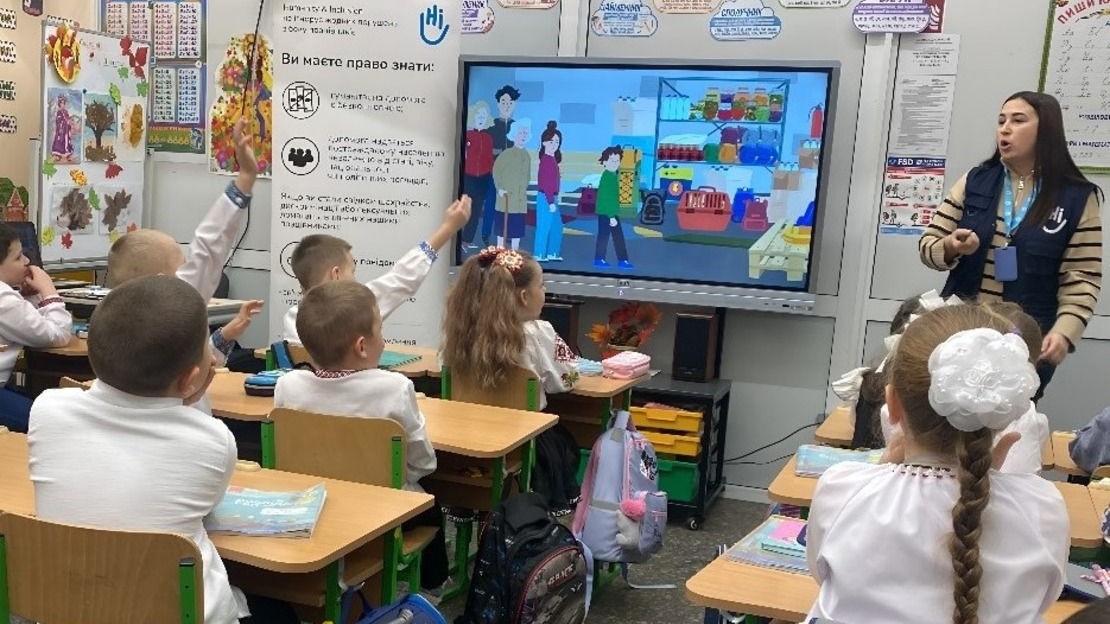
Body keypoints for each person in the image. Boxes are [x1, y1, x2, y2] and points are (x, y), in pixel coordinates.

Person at [28, 276, 299, 624]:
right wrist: (190, 400)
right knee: (283, 611)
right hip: (179, 614)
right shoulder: (213, 440)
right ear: (189, 380)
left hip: (70, 611)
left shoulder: (47, 409)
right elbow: (206, 507)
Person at [806, 304, 1068, 624]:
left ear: (892, 405)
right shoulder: (1042, 506)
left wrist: (878, 471)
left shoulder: (842, 489)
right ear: (1007, 412)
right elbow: (1043, 599)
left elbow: (825, 579)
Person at [918, 91, 1103, 401]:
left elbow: (1082, 277)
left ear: (1046, 131)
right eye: (1001, 120)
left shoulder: (1077, 197)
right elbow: (928, 246)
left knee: (1007, 426)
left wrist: (1064, 331)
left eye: (1018, 121)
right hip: (960, 333)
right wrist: (950, 246)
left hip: (1025, 339)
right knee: (946, 421)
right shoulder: (976, 180)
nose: (1005, 128)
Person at [273, 280, 447, 591]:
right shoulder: (394, 388)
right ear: (362, 346)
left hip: (312, 508)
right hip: (379, 514)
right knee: (434, 503)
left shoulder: (288, 385)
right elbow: (423, 464)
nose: (385, 338)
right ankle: (435, 581)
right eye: (381, 330)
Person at [442, 247, 581, 512]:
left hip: (467, 441)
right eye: (542, 284)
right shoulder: (539, 333)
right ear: (524, 296)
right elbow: (564, 380)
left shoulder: (459, 336)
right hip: (524, 446)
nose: (545, 290)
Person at [282, 196, 471, 343]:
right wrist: (448, 227)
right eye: (352, 271)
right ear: (336, 275)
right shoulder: (354, 310)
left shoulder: (291, 319)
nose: (355, 279)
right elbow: (402, 278)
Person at [0, 224, 72, 432]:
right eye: (18, 257)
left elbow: (27, 322)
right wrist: (49, 292)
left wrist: (31, 295)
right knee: (51, 425)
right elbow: (58, 334)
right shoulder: (4, 298)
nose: (27, 262)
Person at [492, 118, 532, 251]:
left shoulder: (526, 156)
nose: (523, 136)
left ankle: (514, 254)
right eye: (521, 133)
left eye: (526, 133)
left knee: (517, 231)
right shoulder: (506, 154)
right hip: (506, 200)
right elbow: (496, 172)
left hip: (520, 203)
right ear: (514, 135)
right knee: (501, 230)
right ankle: (499, 251)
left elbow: (527, 176)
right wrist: (500, 189)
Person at [461, 102, 494, 253]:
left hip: (483, 179)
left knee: (475, 212)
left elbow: (489, 158)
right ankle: (458, 239)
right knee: (463, 209)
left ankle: (467, 241)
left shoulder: (488, 138)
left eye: (484, 116)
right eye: (478, 115)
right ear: (474, 116)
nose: (481, 118)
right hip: (468, 177)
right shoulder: (468, 134)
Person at [594, 146, 632, 269]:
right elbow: (606, 198)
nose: (614, 163)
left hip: (611, 212)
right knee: (606, 236)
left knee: (615, 236)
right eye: (611, 161)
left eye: (617, 161)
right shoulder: (607, 177)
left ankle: (622, 260)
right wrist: (611, 216)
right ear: (604, 162)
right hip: (607, 213)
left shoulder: (612, 176)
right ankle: (600, 259)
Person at [534, 120, 564, 262]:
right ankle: (539, 254)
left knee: (557, 226)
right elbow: (545, 184)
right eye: (551, 141)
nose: (555, 144)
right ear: (544, 142)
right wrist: (551, 201)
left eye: (557, 142)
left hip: (552, 198)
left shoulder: (553, 161)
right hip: (546, 198)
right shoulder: (546, 161)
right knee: (544, 227)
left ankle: (552, 253)